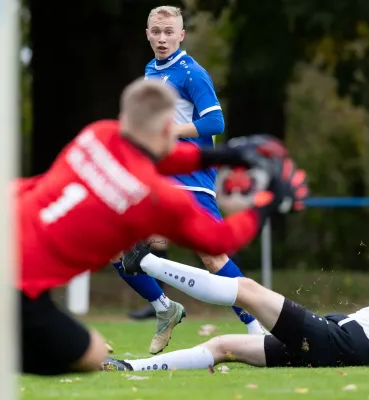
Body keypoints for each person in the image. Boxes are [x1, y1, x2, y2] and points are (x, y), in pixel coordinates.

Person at [17, 78, 304, 376]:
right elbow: (219, 240)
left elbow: (161, 157)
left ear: (124, 117)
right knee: (94, 355)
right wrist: (265, 205)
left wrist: (227, 155)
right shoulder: (154, 197)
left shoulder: (98, 133)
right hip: (17, 280)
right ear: (170, 129)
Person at [102, 204, 369, 372]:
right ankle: (131, 368)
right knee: (222, 346)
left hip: (340, 345)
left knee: (248, 290)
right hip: (332, 335)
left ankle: (147, 261)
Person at [113, 5, 267, 353]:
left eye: (170, 32)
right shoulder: (151, 70)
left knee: (213, 258)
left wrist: (166, 131)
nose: (163, 38)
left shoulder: (192, 73)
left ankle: (257, 326)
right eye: (157, 31)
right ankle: (164, 307)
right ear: (147, 34)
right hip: (158, 175)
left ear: (181, 35)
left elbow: (215, 123)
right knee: (119, 247)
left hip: (191, 177)